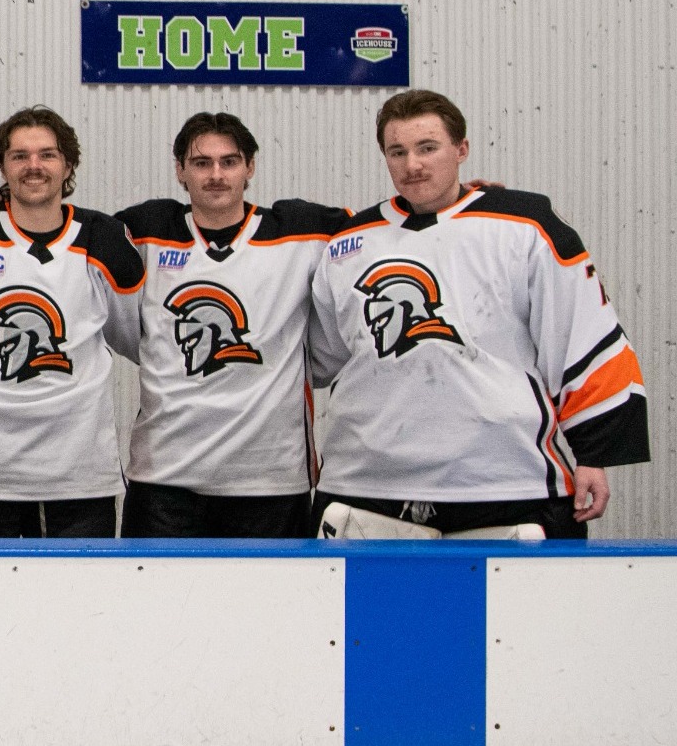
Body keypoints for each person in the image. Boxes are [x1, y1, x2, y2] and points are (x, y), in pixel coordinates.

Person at [307, 90, 649, 538]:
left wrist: (593, 454)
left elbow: (581, 334)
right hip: (366, 483)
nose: (413, 165)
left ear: (461, 149)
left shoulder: (526, 224)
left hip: (505, 480)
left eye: (428, 148)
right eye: (398, 152)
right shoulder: (348, 243)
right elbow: (321, 357)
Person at [114, 113, 348, 537]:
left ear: (250, 167)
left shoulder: (301, 230)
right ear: (180, 171)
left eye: (230, 161)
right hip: (164, 479)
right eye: (201, 163)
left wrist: (466, 205)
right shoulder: (146, 230)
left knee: (269, 605)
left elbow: (391, 227)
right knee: (154, 603)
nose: (216, 174)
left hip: (271, 479)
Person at [0, 107, 142, 537]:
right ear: (1, 164)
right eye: (19, 155)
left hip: (77, 480)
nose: (34, 166)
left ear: (69, 164)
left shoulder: (104, 240)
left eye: (48, 155)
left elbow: (133, 338)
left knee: (80, 605)